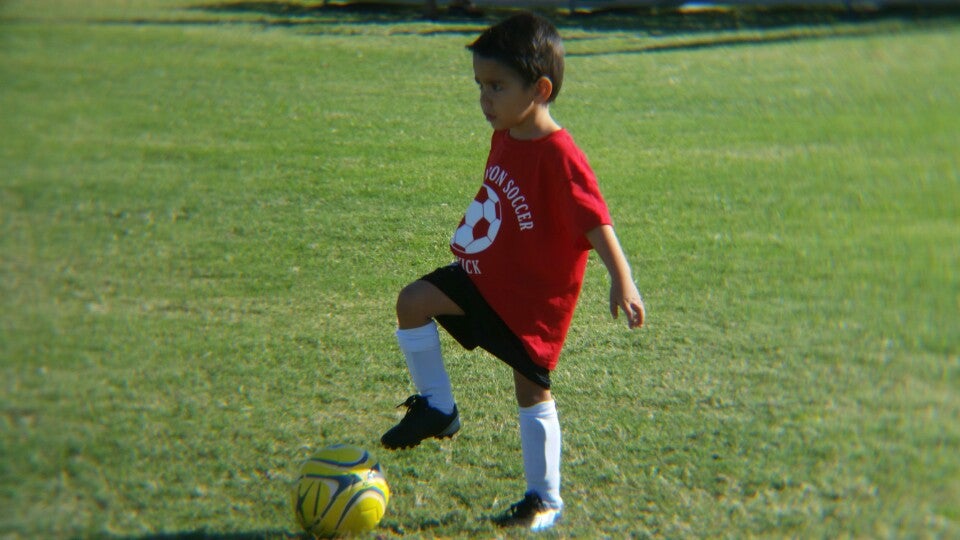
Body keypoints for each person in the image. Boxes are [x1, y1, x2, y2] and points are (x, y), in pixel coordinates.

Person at [381, 11, 646, 532]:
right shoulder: (507, 131)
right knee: (412, 302)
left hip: (531, 303)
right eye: (479, 85)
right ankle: (438, 407)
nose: (485, 99)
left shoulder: (561, 155)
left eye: (497, 86)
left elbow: (597, 221)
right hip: (484, 280)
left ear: (540, 89)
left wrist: (623, 277)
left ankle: (543, 499)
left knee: (530, 390)